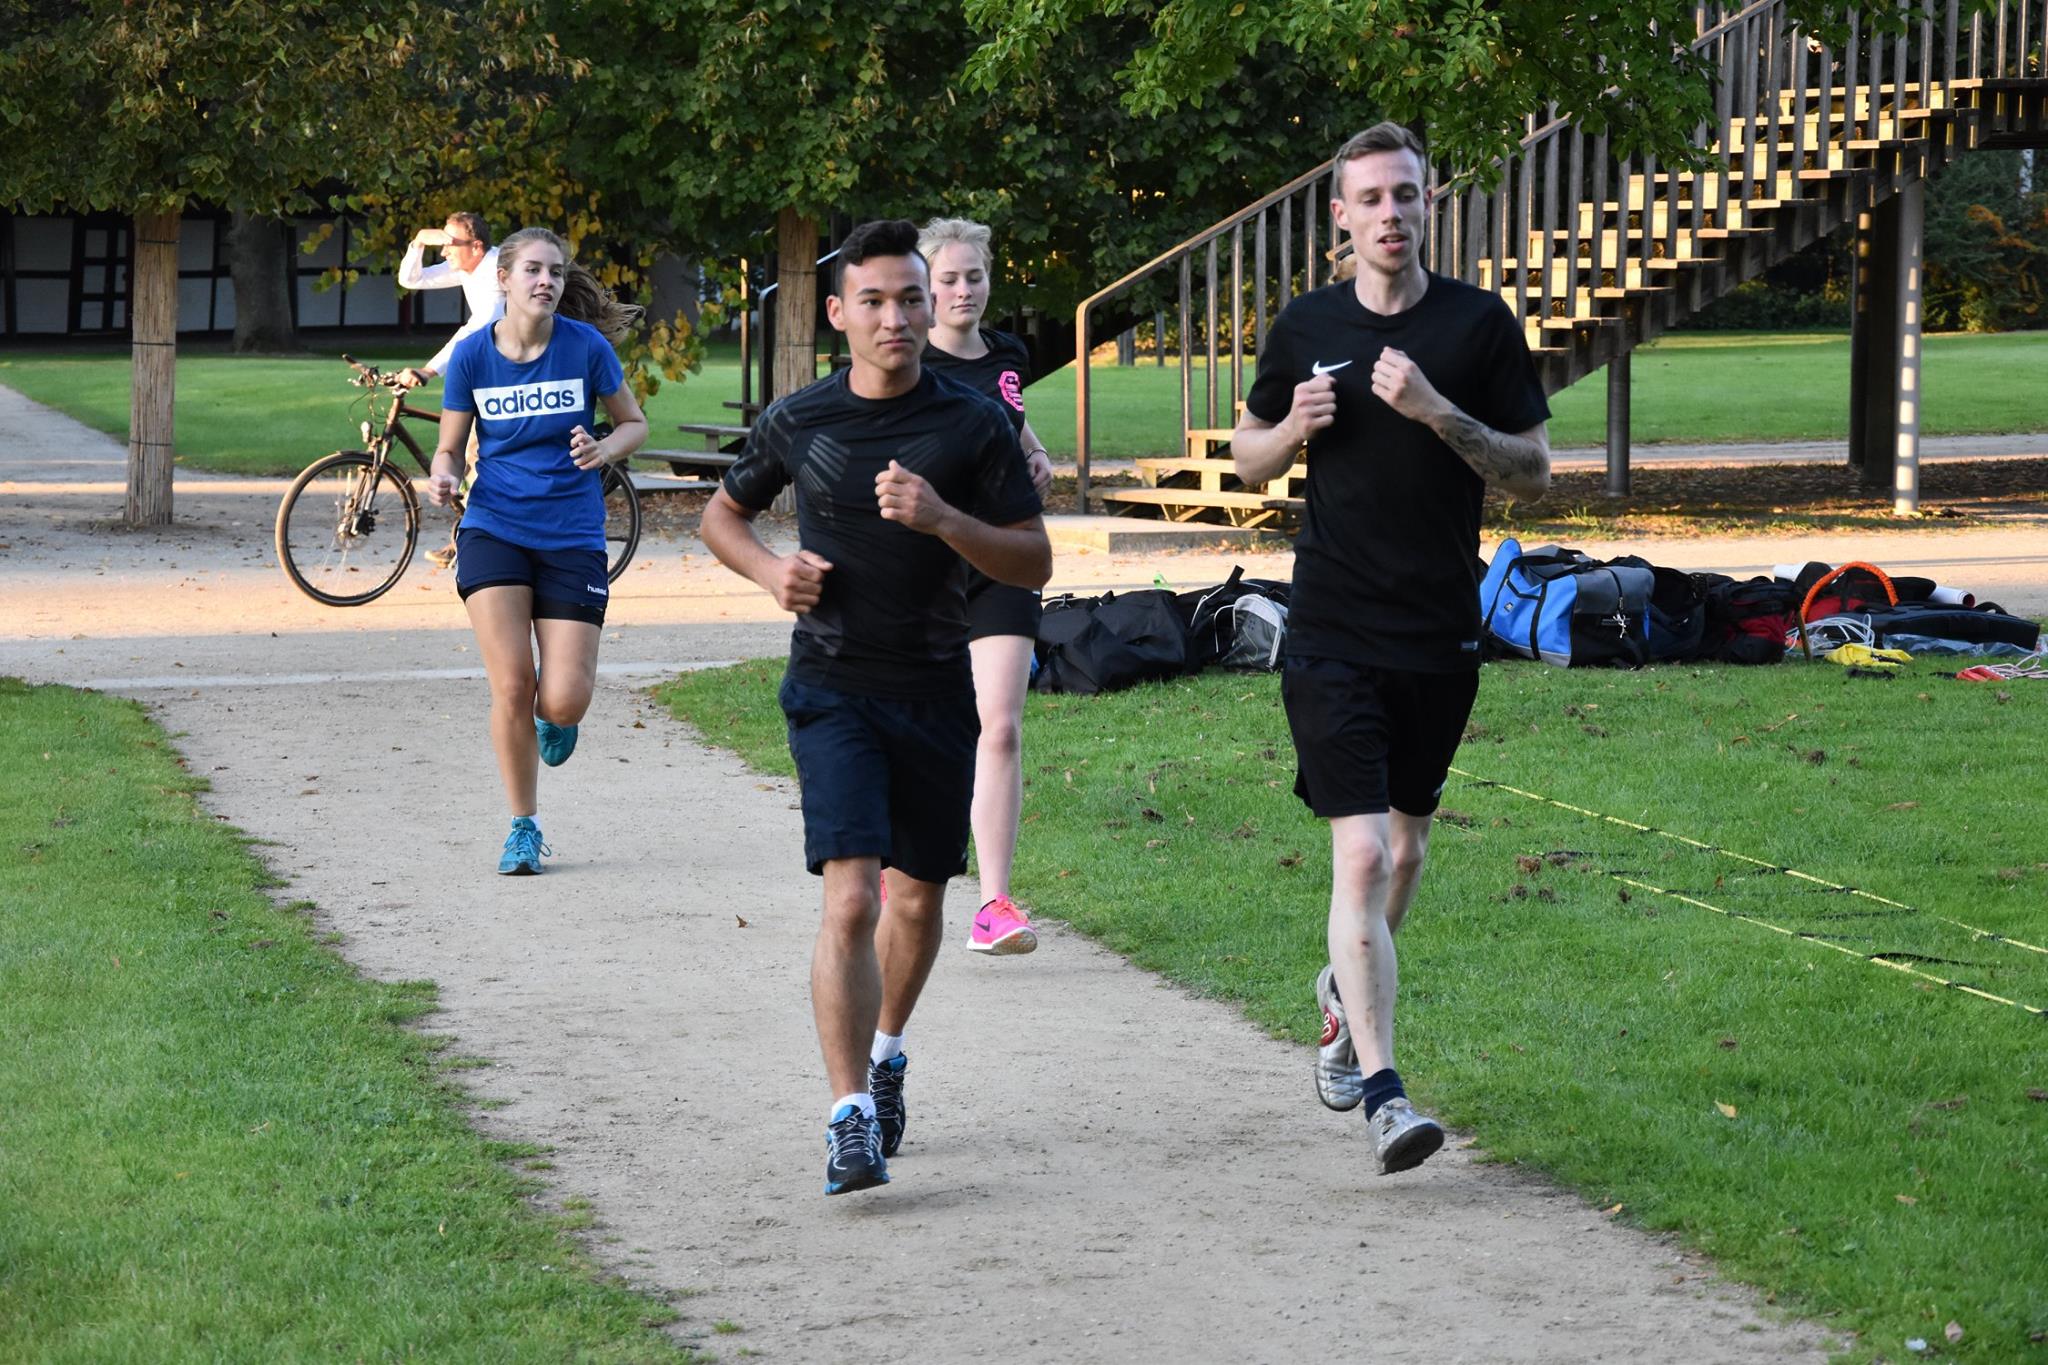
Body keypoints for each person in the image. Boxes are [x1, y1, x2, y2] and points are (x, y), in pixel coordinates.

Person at [700, 219, 1051, 1196]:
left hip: (934, 689)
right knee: (852, 895)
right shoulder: (800, 419)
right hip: (832, 686)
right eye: (874, 301)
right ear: (838, 313)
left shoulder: (971, 424)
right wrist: (771, 571)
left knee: (917, 898)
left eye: (909, 299)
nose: (895, 317)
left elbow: (1032, 559)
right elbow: (723, 514)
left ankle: (887, 1052)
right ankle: (848, 1113)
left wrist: (943, 518)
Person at [1232, 122, 1551, 1175]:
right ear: (1341, 216)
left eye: (1404, 195)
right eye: (1369, 199)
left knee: (1406, 852)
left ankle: (1341, 988)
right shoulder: (1306, 326)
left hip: (1438, 629)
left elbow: (1532, 473)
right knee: (1362, 853)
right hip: (1330, 625)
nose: (1389, 214)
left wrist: (1434, 410)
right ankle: (1382, 1091)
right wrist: (1292, 429)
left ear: (1427, 204)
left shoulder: (1476, 325)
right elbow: (1245, 459)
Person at [422, 227, 649, 877]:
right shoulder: (473, 356)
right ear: (504, 279)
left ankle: (559, 718)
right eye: (533, 270)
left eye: (555, 271)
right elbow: (449, 447)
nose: (546, 280)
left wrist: (603, 449)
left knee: (564, 699)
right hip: (494, 527)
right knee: (514, 684)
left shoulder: (585, 347)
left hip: (572, 534)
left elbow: (634, 423)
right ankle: (523, 826)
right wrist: (442, 473)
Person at [917, 217, 1055, 956]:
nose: (963, 290)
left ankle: (993, 902)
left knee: (999, 725)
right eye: (948, 279)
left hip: (1004, 555)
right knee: (923, 722)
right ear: (926, 286)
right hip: (927, 565)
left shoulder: (1007, 355)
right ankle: (898, 860)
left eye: (974, 276)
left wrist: (1036, 454)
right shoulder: (908, 361)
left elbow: (1013, 422)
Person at [396, 213, 504, 567]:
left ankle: (472, 541)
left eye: (450, 244)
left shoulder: (496, 270)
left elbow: (477, 328)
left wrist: (429, 369)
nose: (444, 252)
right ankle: (467, 536)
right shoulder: (467, 268)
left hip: (504, 373)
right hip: (486, 367)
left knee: (476, 455)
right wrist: (417, 241)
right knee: (463, 450)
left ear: (477, 247)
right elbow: (411, 279)